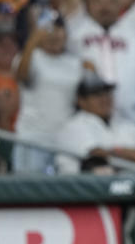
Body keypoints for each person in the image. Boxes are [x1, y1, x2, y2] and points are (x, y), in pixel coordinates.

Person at [12, 12, 87, 174]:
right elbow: (21, 76)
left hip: (65, 138)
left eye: (58, 29)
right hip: (33, 137)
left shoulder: (75, 63)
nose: (53, 34)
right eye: (48, 30)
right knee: (28, 191)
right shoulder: (30, 57)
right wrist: (33, 40)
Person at [54, 73, 135, 174]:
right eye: (97, 95)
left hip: (132, 187)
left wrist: (116, 152)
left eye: (107, 93)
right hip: (85, 189)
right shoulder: (74, 126)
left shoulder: (126, 124)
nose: (105, 99)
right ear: (81, 101)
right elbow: (97, 158)